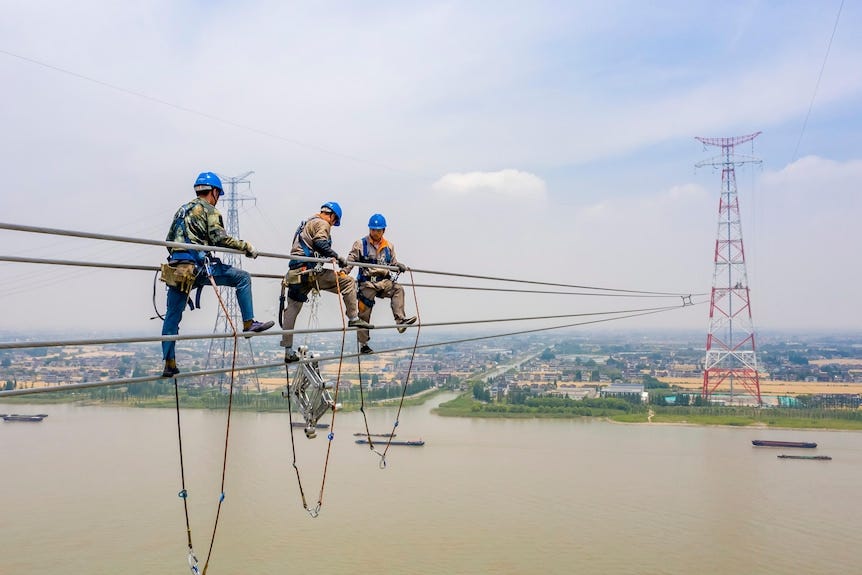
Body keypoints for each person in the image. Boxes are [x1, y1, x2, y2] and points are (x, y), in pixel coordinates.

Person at [160, 171, 274, 377]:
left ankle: (169, 363)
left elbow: (170, 240)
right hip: (197, 267)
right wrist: (245, 247)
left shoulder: (181, 211)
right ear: (213, 192)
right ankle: (249, 323)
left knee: (172, 317)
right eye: (217, 194)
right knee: (243, 278)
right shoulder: (209, 210)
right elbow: (219, 238)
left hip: (176, 269)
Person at [281, 202, 373, 363]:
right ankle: (353, 318)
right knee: (348, 282)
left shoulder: (306, 223)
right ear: (332, 215)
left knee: (292, 309)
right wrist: (338, 258)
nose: (332, 224)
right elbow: (320, 243)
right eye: (334, 221)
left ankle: (288, 351)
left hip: (295, 273)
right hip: (310, 271)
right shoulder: (322, 223)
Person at [344, 213, 416, 354]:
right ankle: (363, 344)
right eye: (373, 230)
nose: (375, 233)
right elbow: (351, 260)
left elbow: (392, 263)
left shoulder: (389, 246)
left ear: (383, 230)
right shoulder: (361, 244)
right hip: (368, 283)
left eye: (378, 230)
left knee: (398, 290)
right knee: (364, 313)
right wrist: (343, 272)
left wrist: (398, 265)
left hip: (384, 282)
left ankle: (400, 322)